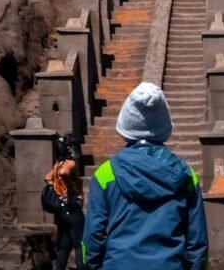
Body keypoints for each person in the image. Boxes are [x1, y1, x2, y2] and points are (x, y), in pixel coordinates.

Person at [82, 82, 209, 270]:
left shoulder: (105, 174)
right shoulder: (186, 175)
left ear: (126, 123)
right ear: (165, 125)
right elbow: (197, 243)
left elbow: (92, 238)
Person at [45, 134, 85, 270]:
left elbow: (47, 177)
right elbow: (64, 173)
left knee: (64, 246)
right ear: (70, 148)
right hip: (72, 209)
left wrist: (58, 188)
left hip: (62, 212)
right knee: (79, 244)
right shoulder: (70, 163)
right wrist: (68, 185)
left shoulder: (58, 164)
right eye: (76, 147)